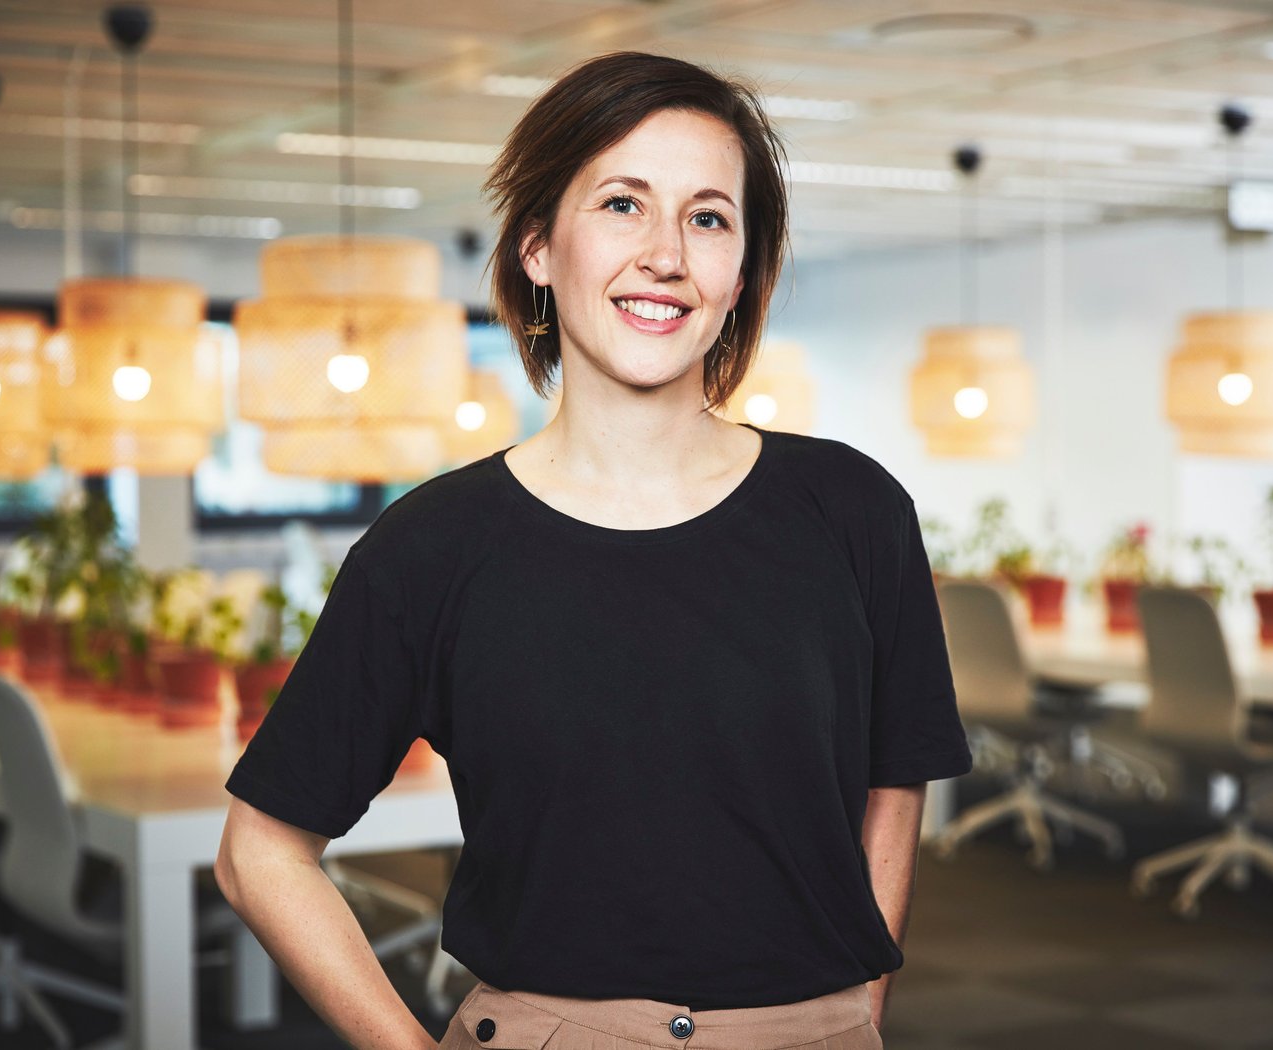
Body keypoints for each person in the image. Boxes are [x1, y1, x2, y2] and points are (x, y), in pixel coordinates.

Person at [216, 50, 971, 1050]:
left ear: (739, 270)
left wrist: (850, 1009)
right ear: (536, 245)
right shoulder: (432, 547)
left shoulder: (850, 509)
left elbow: (892, 780)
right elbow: (259, 853)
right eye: (622, 204)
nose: (665, 254)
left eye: (707, 218)